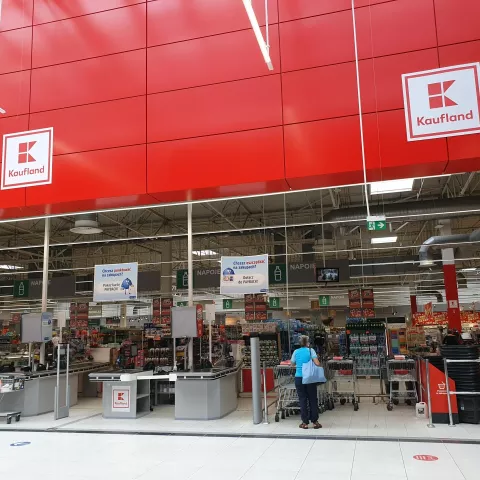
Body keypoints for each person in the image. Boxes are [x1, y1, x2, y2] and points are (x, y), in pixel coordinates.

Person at [290, 335, 322, 429]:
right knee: (312, 399)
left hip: (299, 378)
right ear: (308, 343)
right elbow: (317, 363)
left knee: (302, 399)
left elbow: (292, 364)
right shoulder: (311, 351)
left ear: (299, 343)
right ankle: (315, 422)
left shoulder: (296, 352)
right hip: (309, 378)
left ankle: (305, 423)